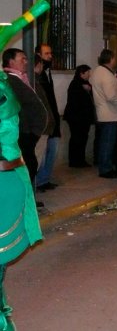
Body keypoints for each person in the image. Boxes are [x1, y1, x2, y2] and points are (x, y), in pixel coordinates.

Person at [0, 67, 43, 331]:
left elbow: (38, 115)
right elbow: (38, 115)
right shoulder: (7, 83)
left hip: (5, 181)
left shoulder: (5, 86)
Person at [3, 49, 48, 202]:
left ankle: (28, 199)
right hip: (24, 131)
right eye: (22, 59)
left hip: (30, 131)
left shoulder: (21, 78)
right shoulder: (9, 80)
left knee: (30, 165)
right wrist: (31, 129)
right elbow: (15, 107)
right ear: (11, 62)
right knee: (27, 166)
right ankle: (24, 201)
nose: (26, 62)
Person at [89, 49, 117, 178]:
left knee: (104, 141)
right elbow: (111, 96)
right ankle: (106, 169)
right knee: (108, 143)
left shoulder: (98, 71)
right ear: (110, 59)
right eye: (114, 58)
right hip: (109, 113)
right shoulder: (106, 75)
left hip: (103, 111)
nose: (115, 60)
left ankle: (105, 166)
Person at [34, 44, 61, 192]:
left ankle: (44, 180)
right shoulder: (36, 77)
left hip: (53, 119)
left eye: (50, 53)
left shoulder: (47, 73)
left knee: (53, 150)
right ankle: (38, 182)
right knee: (41, 154)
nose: (50, 56)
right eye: (46, 54)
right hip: (44, 122)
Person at [63, 64, 95, 168]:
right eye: (88, 73)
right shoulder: (76, 84)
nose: (89, 75)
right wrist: (83, 90)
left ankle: (80, 159)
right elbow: (75, 101)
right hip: (77, 118)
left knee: (82, 138)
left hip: (83, 118)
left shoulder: (85, 84)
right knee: (77, 139)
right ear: (81, 73)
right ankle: (75, 161)